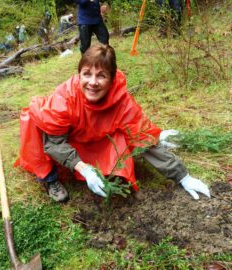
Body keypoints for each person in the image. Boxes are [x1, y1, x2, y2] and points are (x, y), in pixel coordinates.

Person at [15, 44, 211, 203]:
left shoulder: (122, 102)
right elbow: (54, 143)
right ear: (78, 75)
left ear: (112, 78)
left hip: (91, 136)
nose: (92, 82)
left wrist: (183, 176)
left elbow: (143, 139)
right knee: (35, 121)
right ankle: (50, 179)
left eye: (101, 75)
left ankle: (93, 165)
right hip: (65, 137)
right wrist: (83, 168)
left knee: (124, 137)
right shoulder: (65, 98)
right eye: (86, 74)